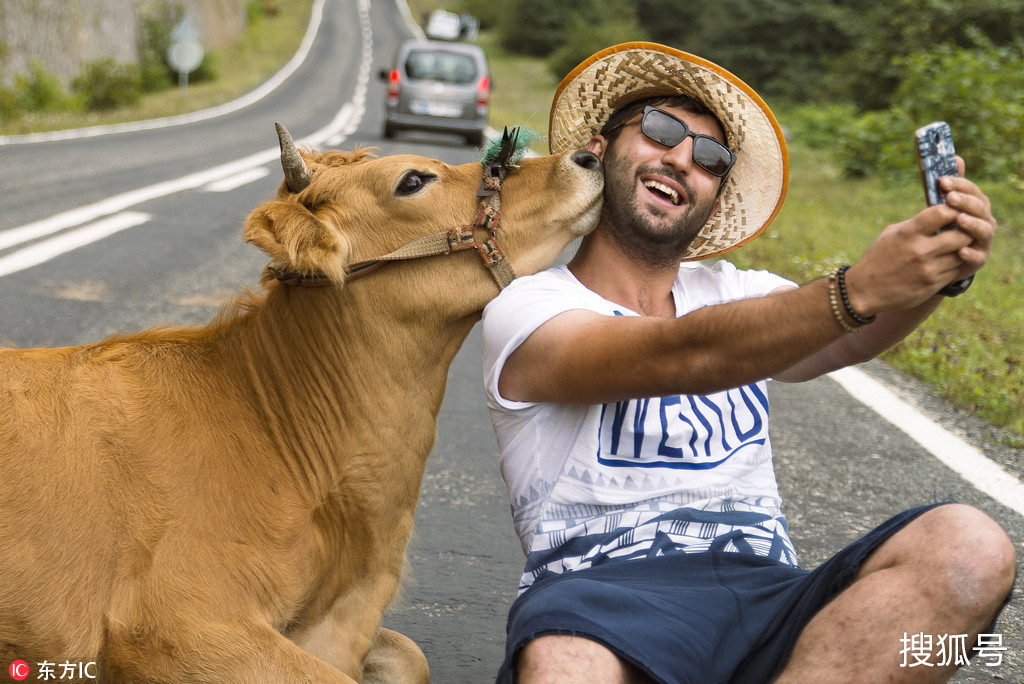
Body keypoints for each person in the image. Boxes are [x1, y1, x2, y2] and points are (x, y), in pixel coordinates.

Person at [481, 42, 1015, 683]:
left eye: (710, 157)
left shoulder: (737, 291)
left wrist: (938, 274)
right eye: (660, 129)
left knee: (972, 547)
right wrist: (856, 289)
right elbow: (686, 353)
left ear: (714, 195)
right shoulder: (528, 306)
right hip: (598, 606)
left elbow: (844, 337)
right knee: (564, 660)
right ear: (598, 147)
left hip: (768, 598)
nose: (681, 158)